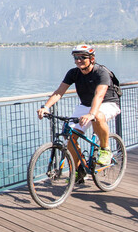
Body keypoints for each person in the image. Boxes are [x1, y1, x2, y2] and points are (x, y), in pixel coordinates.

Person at [36, 44, 121, 180]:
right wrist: (46, 107)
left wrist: (91, 114)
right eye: (76, 57)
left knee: (98, 116)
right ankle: (79, 170)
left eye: (82, 57)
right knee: (70, 135)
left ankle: (105, 149)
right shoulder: (73, 73)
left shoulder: (101, 72)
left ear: (92, 59)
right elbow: (59, 92)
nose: (78, 60)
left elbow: (99, 95)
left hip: (107, 103)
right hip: (85, 105)